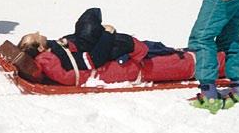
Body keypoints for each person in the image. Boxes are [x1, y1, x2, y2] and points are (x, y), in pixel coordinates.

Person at [17, 8, 226, 87]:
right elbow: (93, 60)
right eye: (33, 36)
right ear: (39, 48)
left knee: (168, 52)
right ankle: (227, 62)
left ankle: (216, 55)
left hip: (126, 53)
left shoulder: (52, 51)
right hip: (127, 63)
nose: (37, 31)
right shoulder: (56, 59)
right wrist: (108, 34)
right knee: (176, 61)